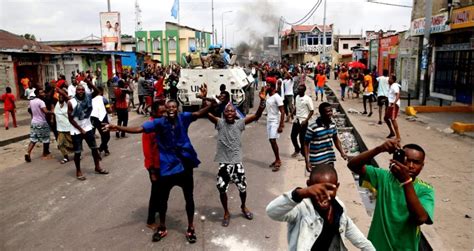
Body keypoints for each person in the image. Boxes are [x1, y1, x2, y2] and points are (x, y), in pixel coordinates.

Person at [104, 86, 213, 243]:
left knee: (189, 198)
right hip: (167, 167)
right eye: (168, 108)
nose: (170, 110)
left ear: (177, 108)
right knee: (163, 200)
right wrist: (117, 127)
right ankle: (162, 227)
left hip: (184, 166)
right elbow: (139, 129)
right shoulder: (159, 123)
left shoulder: (184, 118)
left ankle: (190, 228)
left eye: (173, 107)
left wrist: (210, 104)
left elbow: (199, 113)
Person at [347, 139, 434, 250]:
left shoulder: (425, 189)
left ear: (422, 165)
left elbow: (420, 218)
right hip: (377, 246)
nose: (411, 166)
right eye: (407, 160)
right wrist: (379, 149)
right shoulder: (384, 177)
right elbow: (353, 165)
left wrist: (406, 182)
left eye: (416, 162)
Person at [266, 163, 375, 251]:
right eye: (318, 189)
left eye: (329, 189)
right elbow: (272, 212)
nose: (324, 195)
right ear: (309, 185)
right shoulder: (301, 209)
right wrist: (300, 193)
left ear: (337, 187)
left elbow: (360, 239)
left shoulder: (339, 208)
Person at [206, 84, 266, 227]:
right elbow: (207, 114)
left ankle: (243, 206)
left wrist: (262, 102)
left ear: (235, 113)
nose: (230, 113)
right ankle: (226, 212)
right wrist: (204, 99)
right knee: (222, 189)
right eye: (227, 111)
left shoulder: (240, 124)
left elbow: (257, 115)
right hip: (223, 163)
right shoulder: (219, 123)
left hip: (237, 163)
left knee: (242, 188)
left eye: (232, 111)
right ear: (224, 114)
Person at [60, 77, 109, 180]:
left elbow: (97, 91)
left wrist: (89, 82)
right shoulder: (71, 102)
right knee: (77, 152)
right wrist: (80, 129)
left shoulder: (88, 97)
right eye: (79, 89)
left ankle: (97, 167)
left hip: (87, 128)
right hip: (76, 130)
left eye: (82, 89)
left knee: (94, 149)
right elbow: (71, 119)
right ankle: (78, 171)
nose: (81, 91)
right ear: (75, 91)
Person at [142, 101, 166, 231]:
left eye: (165, 112)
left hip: (164, 164)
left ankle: (158, 209)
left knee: (161, 191)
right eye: (161, 112)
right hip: (154, 166)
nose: (164, 115)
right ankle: (150, 220)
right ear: (154, 112)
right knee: (156, 192)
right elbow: (147, 151)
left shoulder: (164, 123)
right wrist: (151, 171)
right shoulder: (149, 127)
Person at [304, 102, 347, 172]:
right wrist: (307, 161)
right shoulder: (313, 127)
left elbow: (335, 139)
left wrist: (342, 152)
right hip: (316, 160)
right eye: (327, 112)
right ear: (321, 113)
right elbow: (306, 144)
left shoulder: (332, 124)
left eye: (331, 111)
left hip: (329, 158)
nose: (330, 113)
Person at [25, 88, 54, 162]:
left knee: (33, 139)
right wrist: (53, 112)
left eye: (43, 92)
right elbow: (45, 111)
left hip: (34, 122)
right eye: (41, 93)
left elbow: (29, 110)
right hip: (42, 122)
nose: (43, 94)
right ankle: (45, 153)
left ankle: (28, 152)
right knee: (46, 138)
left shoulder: (31, 101)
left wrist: (34, 114)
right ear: (37, 94)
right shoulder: (41, 102)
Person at [265, 77, 285, 172]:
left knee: (273, 140)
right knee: (271, 140)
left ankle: (278, 160)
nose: (266, 86)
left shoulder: (277, 97)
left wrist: (281, 125)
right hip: (269, 120)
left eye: (268, 85)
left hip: (275, 121)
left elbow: (282, 111)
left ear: (272, 86)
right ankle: (276, 158)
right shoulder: (268, 95)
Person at [290, 85, 314, 160]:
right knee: (293, 136)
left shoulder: (308, 99)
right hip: (297, 120)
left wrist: (306, 120)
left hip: (303, 121)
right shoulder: (297, 97)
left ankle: (304, 155)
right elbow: (296, 107)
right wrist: (291, 114)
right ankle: (297, 149)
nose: (298, 90)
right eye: (298, 89)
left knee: (302, 139)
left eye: (300, 90)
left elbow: (312, 111)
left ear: (303, 91)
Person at [90, 86, 111, 156]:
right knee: (107, 136)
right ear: (101, 92)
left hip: (94, 120)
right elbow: (109, 110)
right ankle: (100, 149)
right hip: (103, 119)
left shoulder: (91, 99)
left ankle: (105, 149)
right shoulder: (104, 99)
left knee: (102, 135)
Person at [54, 91, 73, 164]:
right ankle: (65, 157)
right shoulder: (57, 104)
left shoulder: (68, 104)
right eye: (59, 97)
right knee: (60, 144)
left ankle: (78, 153)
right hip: (60, 128)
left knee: (72, 143)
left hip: (68, 127)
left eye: (62, 97)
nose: (60, 98)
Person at [385, 75, 401, 139]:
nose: (388, 80)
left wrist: (394, 103)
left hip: (394, 105)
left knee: (393, 119)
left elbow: (398, 94)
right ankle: (392, 132)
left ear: (393, 80)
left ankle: (398, 136)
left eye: (390, 79)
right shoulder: (391, 86)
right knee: (386, 118)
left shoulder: (395, 86)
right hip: (390, 104)